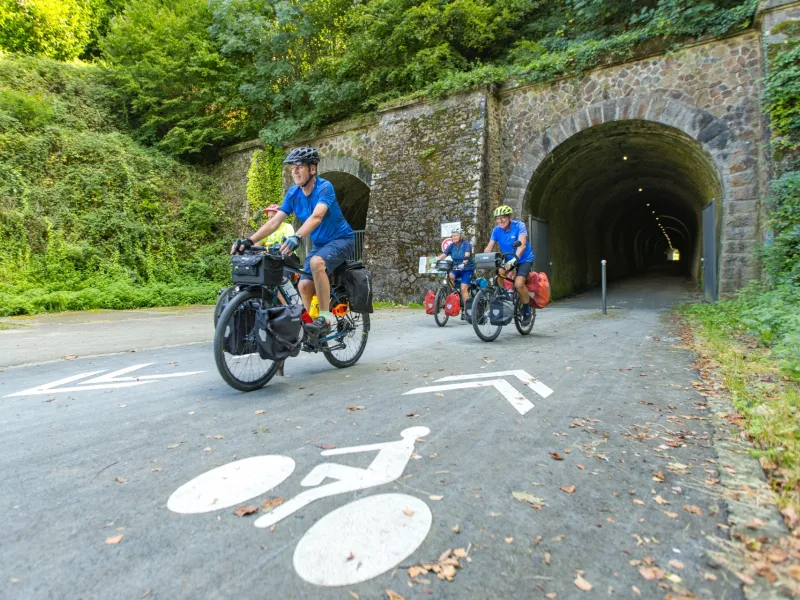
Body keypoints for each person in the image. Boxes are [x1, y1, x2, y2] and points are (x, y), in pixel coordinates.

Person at [231, 146, 355, 334]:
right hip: (321, 244)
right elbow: (274, 223)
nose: (294, 170)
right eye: (292, 167)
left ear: (312, 169)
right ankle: (315, 330)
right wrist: (249, 241)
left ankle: (325, 318)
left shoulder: (324, 188)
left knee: (316, 262)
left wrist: (297, 236)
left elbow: (317, 217)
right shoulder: (293, 193)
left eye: (299, 166)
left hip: (342, 239)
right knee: (304, 285)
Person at [483, 205, 535, 325]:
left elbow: (522, 244)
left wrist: (515, 259)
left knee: (519, 283)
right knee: (500, 275)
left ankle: (527, 311)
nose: (500, 221)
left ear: (510, 218)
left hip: (524, 258)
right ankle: (505, 297)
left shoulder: (519, 226)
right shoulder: (496, 230)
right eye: (498, 218)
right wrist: (484, 259)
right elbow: (489, 247)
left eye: (503, 218)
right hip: (508, 258)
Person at [437, 229, 474, 319]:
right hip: (456, 268)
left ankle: (466, 310)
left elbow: (467, 254)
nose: (454, 237)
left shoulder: (466, 244)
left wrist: (464, 263)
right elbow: (444, 254)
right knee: (449, 276)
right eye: (453, 236)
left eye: (456, 235)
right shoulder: (451, 246)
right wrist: (436, 261)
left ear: (461, 236)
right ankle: (454, 294)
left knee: (463, 288)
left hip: (467, 268)